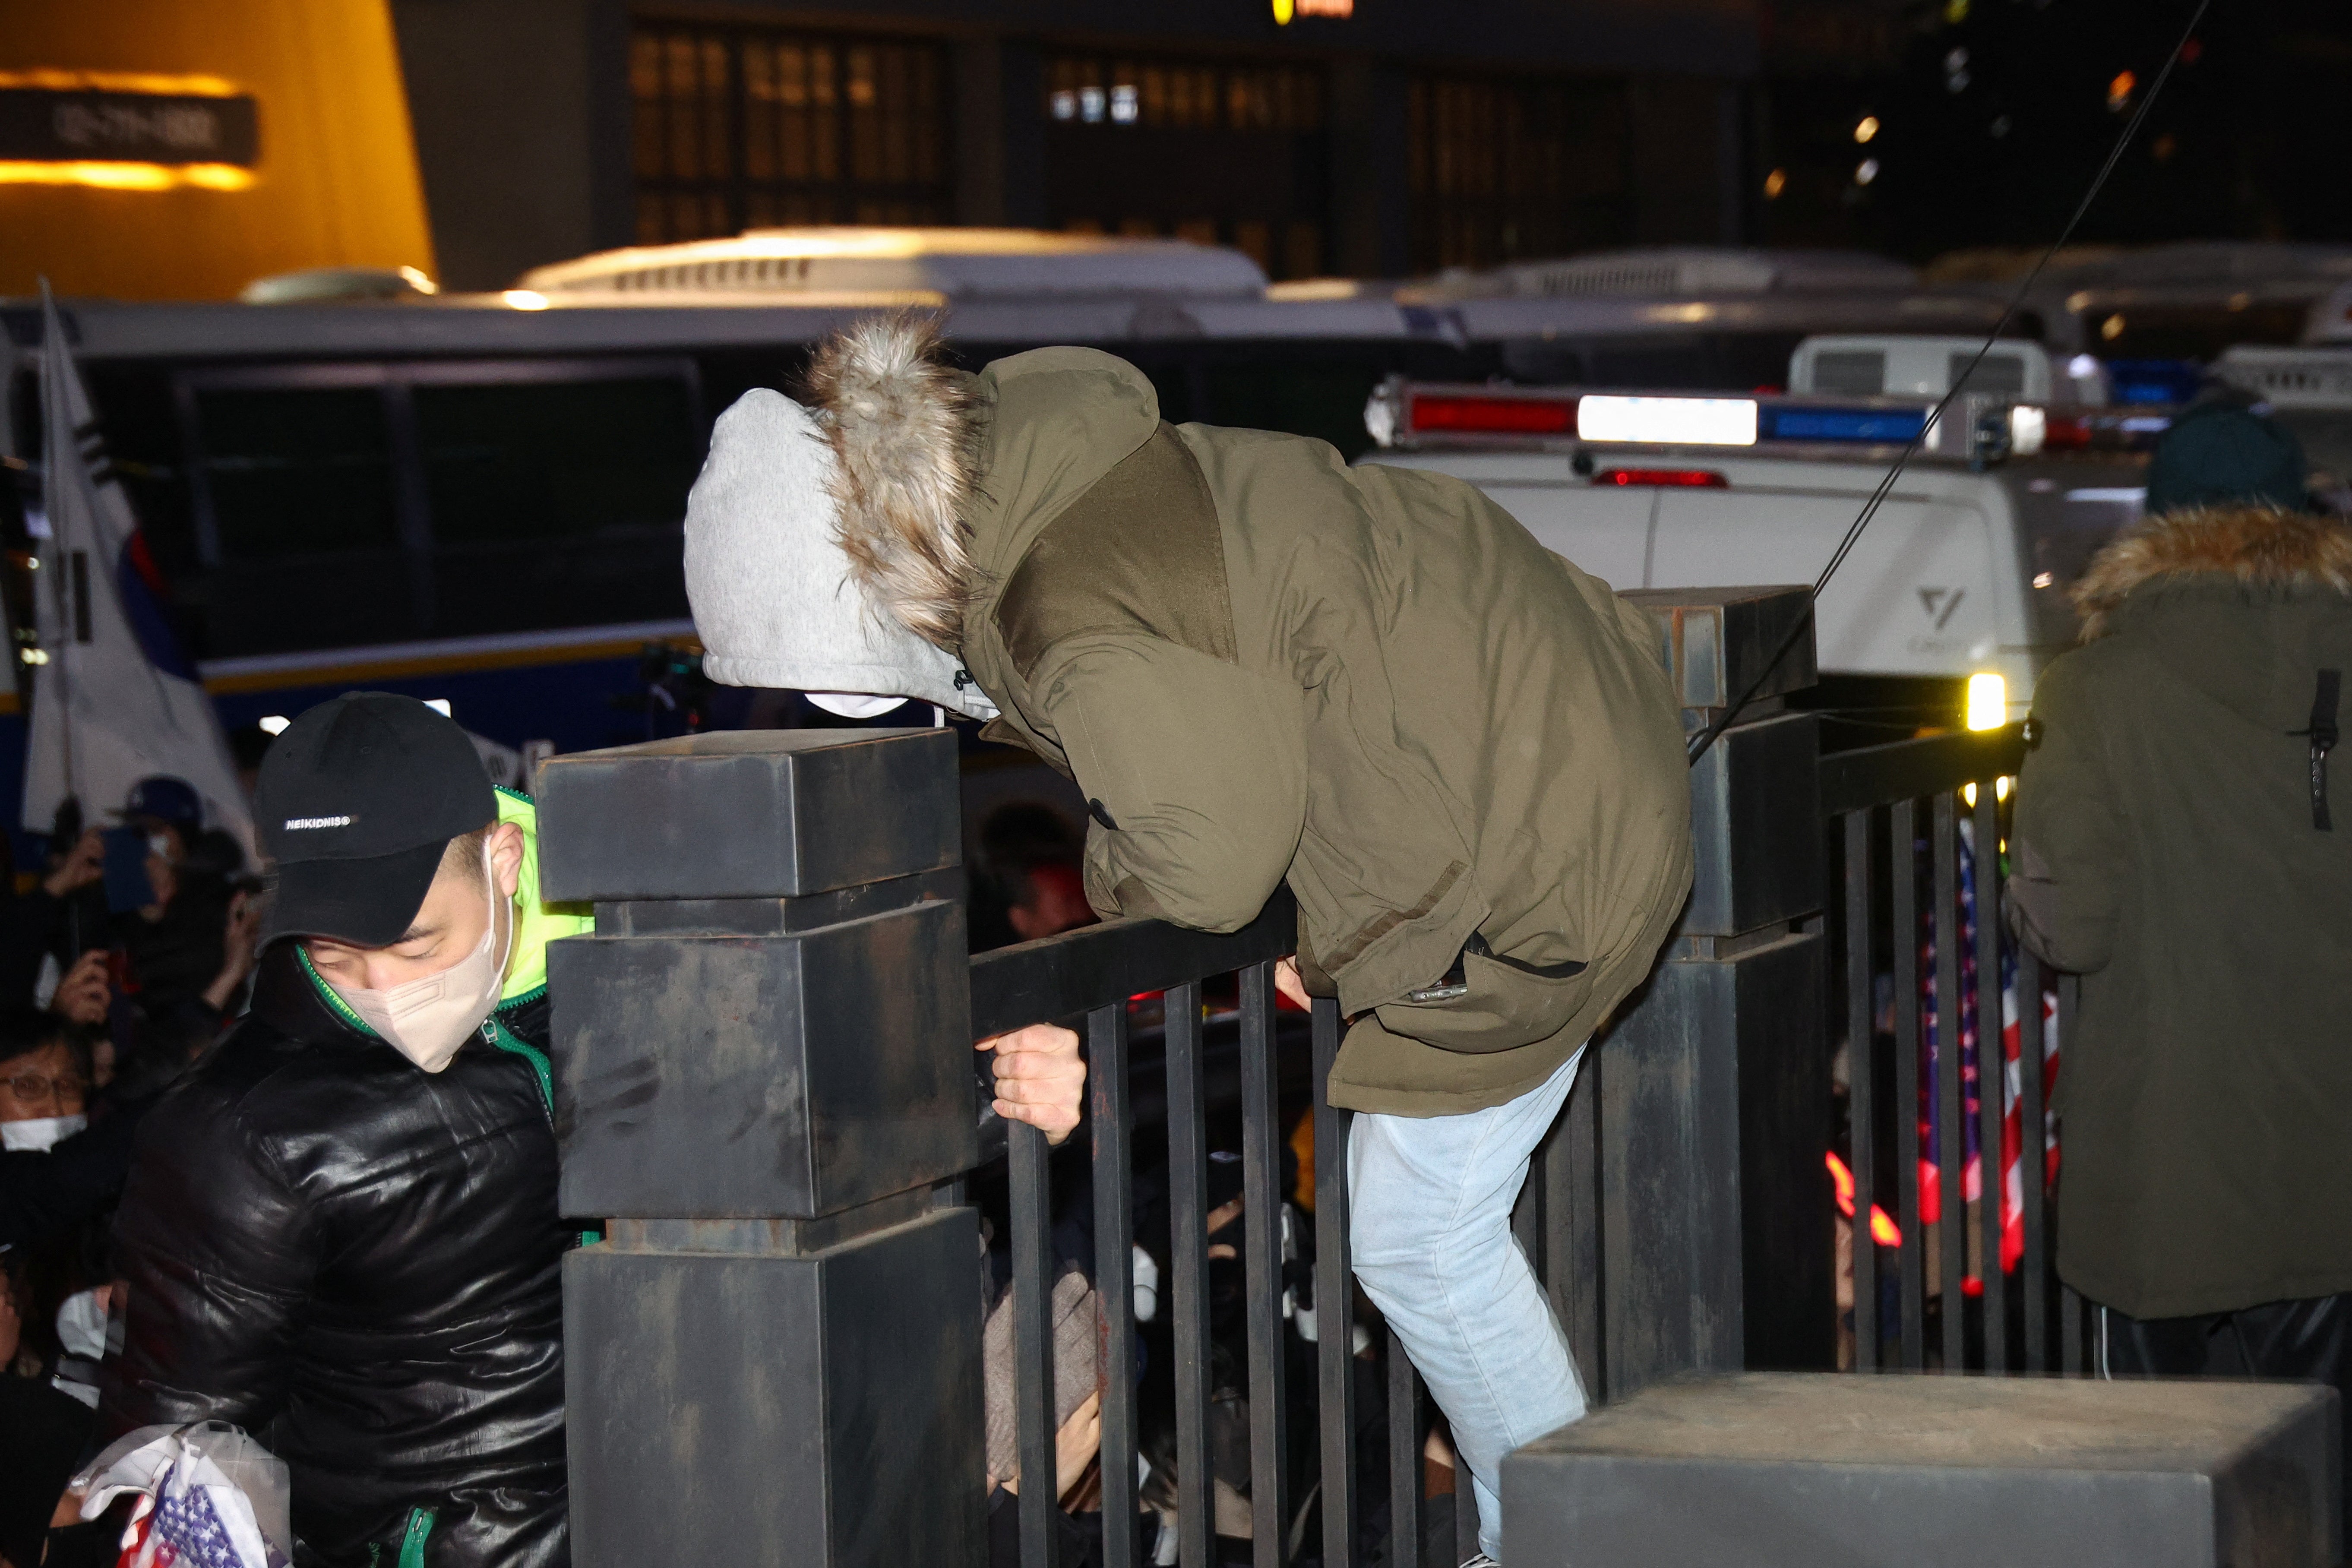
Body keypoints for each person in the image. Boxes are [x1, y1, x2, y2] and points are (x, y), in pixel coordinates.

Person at [683, 315, 1693, 1566]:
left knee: (1420, 1242)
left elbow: (1208, 862)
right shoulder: (1056, 475)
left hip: (1538, 855)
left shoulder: (1060, 604)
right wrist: (1320, 926)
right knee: (1414, 1222)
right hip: (1564, 763)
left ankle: (1572, 1543)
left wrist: (1124, 868)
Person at [96, 692, 1086, 1567]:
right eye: (332, 953)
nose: (379, 992)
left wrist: (1001, 1097)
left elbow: (801, 1118)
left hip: (731, 1492)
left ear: (504, 858)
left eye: (413, 945)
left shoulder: (650, 967)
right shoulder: (240, 1130)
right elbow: (171, 1447)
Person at [2009, 479, 2352, 1519]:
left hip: (2166, 1157)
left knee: (2162, 1486)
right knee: (2325, 1477)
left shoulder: (2096, 687)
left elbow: (2074, 923)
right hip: (2335, 1156)